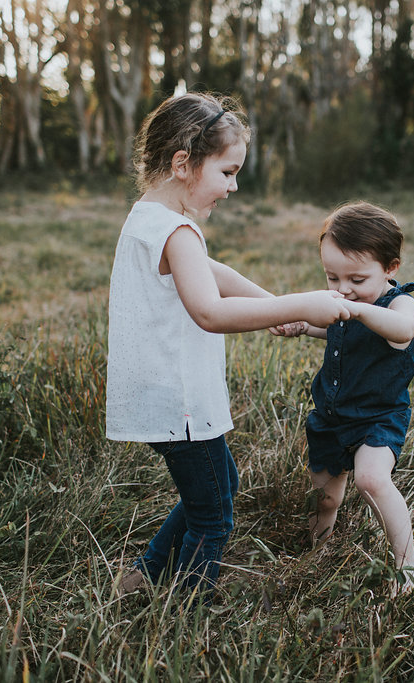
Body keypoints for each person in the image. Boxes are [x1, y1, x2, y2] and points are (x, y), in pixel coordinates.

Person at [107, 92, 350, 598]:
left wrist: (275, 305)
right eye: (227, 171)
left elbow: (215, 275)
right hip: (179, 400)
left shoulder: (148, 216)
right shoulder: (176, 230)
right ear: (182, 163)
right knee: (213, 518)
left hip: (160, 392)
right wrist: (300, 305)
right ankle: (185, 614)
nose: (234, 186)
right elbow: (209, 311)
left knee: (218, 488)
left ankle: (144, 577)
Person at [277, 201, 414, 594]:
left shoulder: (399, 304)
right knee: (324, 498)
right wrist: (304, 326)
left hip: (378, 417)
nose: (343, 289)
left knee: (371, 479)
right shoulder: (348, 301)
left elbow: (402, 330)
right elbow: (337, 331)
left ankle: (406, 561)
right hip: (330, 417)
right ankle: (319, 551)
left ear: (390, 267)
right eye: (332, 277)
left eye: (357, 279)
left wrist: (358, 310)